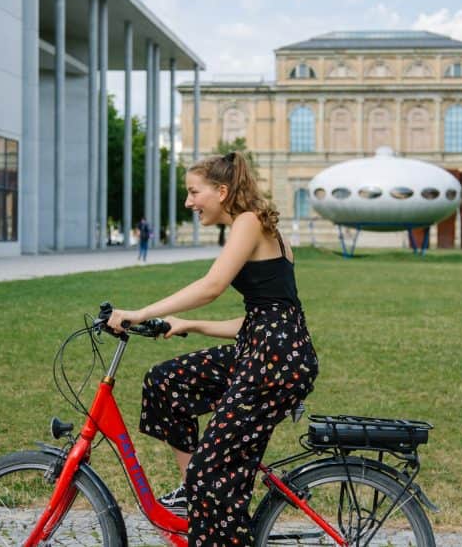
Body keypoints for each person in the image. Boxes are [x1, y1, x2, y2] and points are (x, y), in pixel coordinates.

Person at [108, 151, 318, 547]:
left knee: (213, 473)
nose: (188, 202)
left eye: (193, 192)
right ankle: (195, 493)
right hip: (263, 352)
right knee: (166, 382)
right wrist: (190, 324)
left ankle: (206, 498)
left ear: (222, 191)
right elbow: (261, 320)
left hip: (274, 365)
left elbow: (211, 287)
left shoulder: (249, 221)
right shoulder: (252, 224)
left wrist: (139, 313)